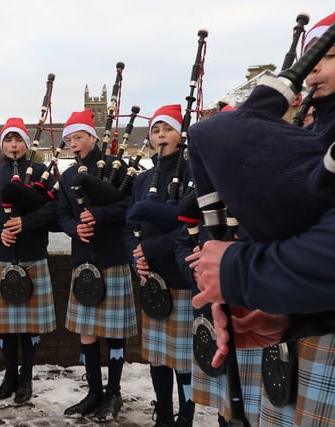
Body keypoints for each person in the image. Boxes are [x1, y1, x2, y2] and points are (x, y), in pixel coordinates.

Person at [187, 4, 335, 426]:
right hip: (309, 318)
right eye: (313, 58)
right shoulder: (304, 136)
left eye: (329, 55)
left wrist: (244, 272)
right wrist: (282, 307)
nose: (312, 71)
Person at [56, 109, 138, 422]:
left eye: (78, 137)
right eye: (69, 139)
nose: (73, 144)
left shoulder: (120, 167)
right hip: (83, 260)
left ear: (93, 136)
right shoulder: (66, 176)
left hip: (113, 256)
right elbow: (61, 214)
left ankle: (113, 392)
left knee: (115, 332)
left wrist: (100, 216)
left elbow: (132, 204)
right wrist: (74, 228)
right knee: (87, 332)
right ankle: (93, 391)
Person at [0, 117, 57, 404]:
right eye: (9, 140)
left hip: (33, 255)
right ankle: (9, 375)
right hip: (2, 257)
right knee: (6, 327)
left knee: (30, 326)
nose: (14, 145)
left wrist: (27, 222)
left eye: (18, 140)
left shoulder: (43, 172)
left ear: (26, 143)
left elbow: (54, 211)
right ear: (2, 145)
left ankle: (27, 377)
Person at [123, 105, 195, 427]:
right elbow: (129, 226)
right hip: (151, 279)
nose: (161, 136)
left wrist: (150, 248)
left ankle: (187, 416)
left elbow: (190, 227)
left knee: (183, 359)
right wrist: (135, 256)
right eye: (155, 130)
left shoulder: (195, 173)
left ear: (180, 134)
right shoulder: (143, 180)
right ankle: (164, 414)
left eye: (167, 129)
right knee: (157, 356)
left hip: (180, 276)